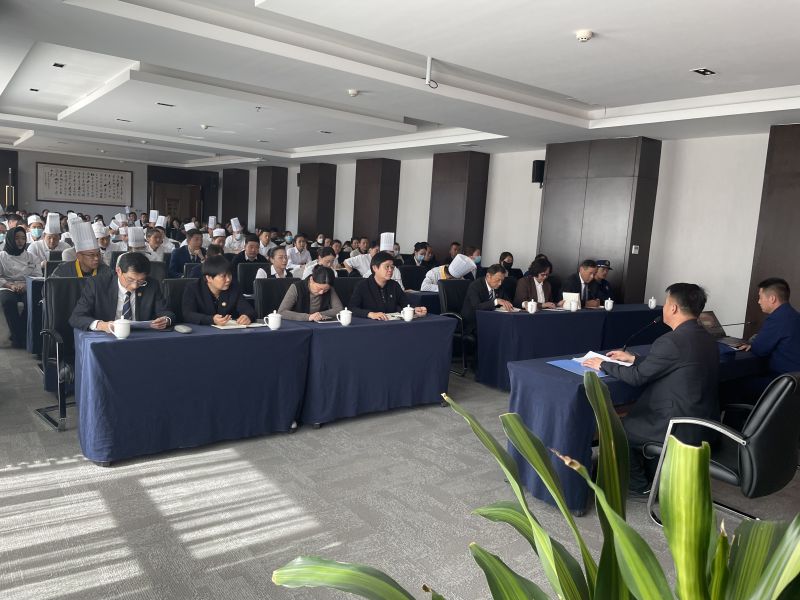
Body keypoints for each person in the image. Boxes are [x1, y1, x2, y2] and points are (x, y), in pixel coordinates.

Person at [582, 283, 719, 494]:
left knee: (618, 428)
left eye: (666, 303)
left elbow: (637, 377)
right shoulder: (706, 337)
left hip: (676, 422)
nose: (663, 308)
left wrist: (603, 365)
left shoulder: (671, 341)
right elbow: (676, 362)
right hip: (702, 417)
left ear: (673, 308)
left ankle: (638, 485)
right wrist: (634, 358)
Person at [69, 251, 174, 332]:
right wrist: (101, 325)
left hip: (140, 337)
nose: (135, 286)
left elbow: (167, 312)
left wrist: (165, 320)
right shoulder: (97, 284)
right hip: (107, 337)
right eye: (130, 279)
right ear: (118, 271)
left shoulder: (152, 284)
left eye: (141, 281)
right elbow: (76, 317)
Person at [737, 277, 800, 394]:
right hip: (795, 384)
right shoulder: (795, 316)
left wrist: (753, 345)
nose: (759, 301)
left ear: (772, 299)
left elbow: (759, 350)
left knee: (732, 383)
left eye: (760, 297)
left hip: (781, 383)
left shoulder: (777, 319)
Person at [349, 252, 427, 320]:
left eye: (392, 267)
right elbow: (352, 308)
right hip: (370, 325)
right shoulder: (362, 286)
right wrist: (370, 314)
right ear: (375, 268)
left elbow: (405, 303)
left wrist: (415, 309)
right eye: (387, 267)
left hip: (392, 324)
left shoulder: (394, 285)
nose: (390, 270)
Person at [181, 256, 254, 326]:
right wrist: (211, 319)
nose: (228, 279)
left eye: (229, 275)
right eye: (223, 276)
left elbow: (248, 309)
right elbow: (188, 314)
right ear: (209, 278)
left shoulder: (234, 287)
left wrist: (247, 316)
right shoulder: (193, 288)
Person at [0, 226, 42, 347]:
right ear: (10, 239)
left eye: (23, 238)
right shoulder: (1, 256)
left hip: (27, 285)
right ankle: (18, 337)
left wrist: (25, 285)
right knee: (8, 301)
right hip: (6, 286)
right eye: (17, 238)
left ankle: (22, 333)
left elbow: (38, 276)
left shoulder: (31, 257)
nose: (20, 241)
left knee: (33, 302)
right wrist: (10, 285)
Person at [461, 264, 513, 336]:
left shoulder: (499, 286)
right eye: (498, 280)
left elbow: (506, 300)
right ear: (488, 276)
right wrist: (496, 302)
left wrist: (507, 304)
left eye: (502, 280)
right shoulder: (475, 286)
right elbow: (477, 307)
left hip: (492, 320)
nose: (500, 283)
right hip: (473, 323)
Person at [279, 265, 343, 321]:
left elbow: (339, 309)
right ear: (311, 279)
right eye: (319, 288)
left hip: (320, 325)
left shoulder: (329, 288)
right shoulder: (297, 287)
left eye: (325, 290)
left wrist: (319, 315)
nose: (321, 292)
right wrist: (308, 317)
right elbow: (282, 312)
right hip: (298, 324)